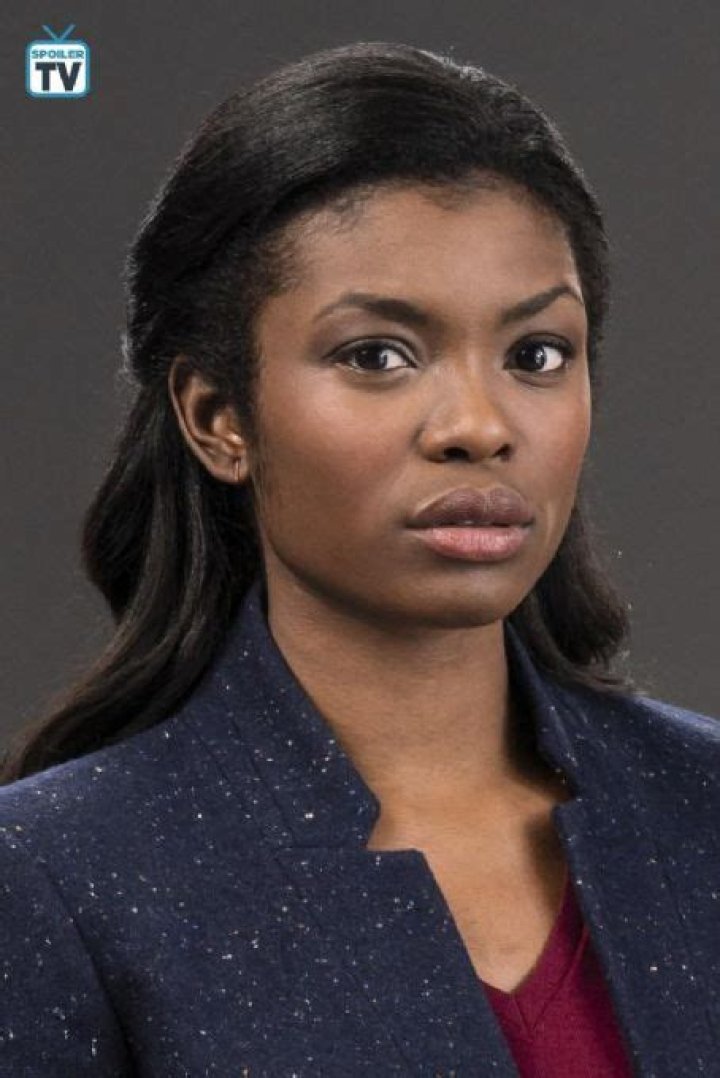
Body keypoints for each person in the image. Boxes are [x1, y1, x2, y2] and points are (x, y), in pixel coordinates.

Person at [1, 41, 719, 1078]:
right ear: (217, 416)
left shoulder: (701, 807)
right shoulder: (58, 881)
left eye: (536, 355)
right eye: (377, 354)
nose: (480, 426)